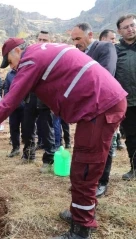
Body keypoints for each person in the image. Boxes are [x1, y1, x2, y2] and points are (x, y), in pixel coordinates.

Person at [0, 38, 127, 239]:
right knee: (81, 168)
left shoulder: (30, 60)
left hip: (100, 106)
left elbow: (9, 102)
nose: (12, 67)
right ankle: (80, 214)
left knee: (85, 170)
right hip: (100, 103)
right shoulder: (43, 51)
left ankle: (81, 230)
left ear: (17, 51)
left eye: (10, 61)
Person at [70, 22, 118, 198]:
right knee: (89, 147)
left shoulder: (105, 48)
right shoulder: (78, 54)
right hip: (88, 110)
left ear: (90, 35)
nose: (75, 42)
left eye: (78, 38)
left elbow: (105, 77)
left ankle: (102, 182)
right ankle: (87, 182)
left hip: (106, 107)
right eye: (73, 39)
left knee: (105, 145)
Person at [21, 30, 57, 173]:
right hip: (30, 97)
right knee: (27, 129)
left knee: (46, 130)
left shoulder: (55, 57)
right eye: (40, 39)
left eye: (45, 40)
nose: (42, 42)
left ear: (50, 41)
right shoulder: (31, 54)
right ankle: (29, 155)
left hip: (46, 100)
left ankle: (48, 161)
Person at [115, 14, 136, 180]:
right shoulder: (115, 51)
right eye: (126, 27)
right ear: (119, 31)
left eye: (133, 25)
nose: (130, 29)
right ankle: (134, 168)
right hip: (127, 102)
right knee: (131, 137)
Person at [3, 69, 24, 157]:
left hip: (25, 106)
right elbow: (6, 89)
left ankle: (28, 152)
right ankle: (15, 148)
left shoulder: (26, 71)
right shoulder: (9, 75)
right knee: (13, 128)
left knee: (27, 129)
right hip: (13, 107)